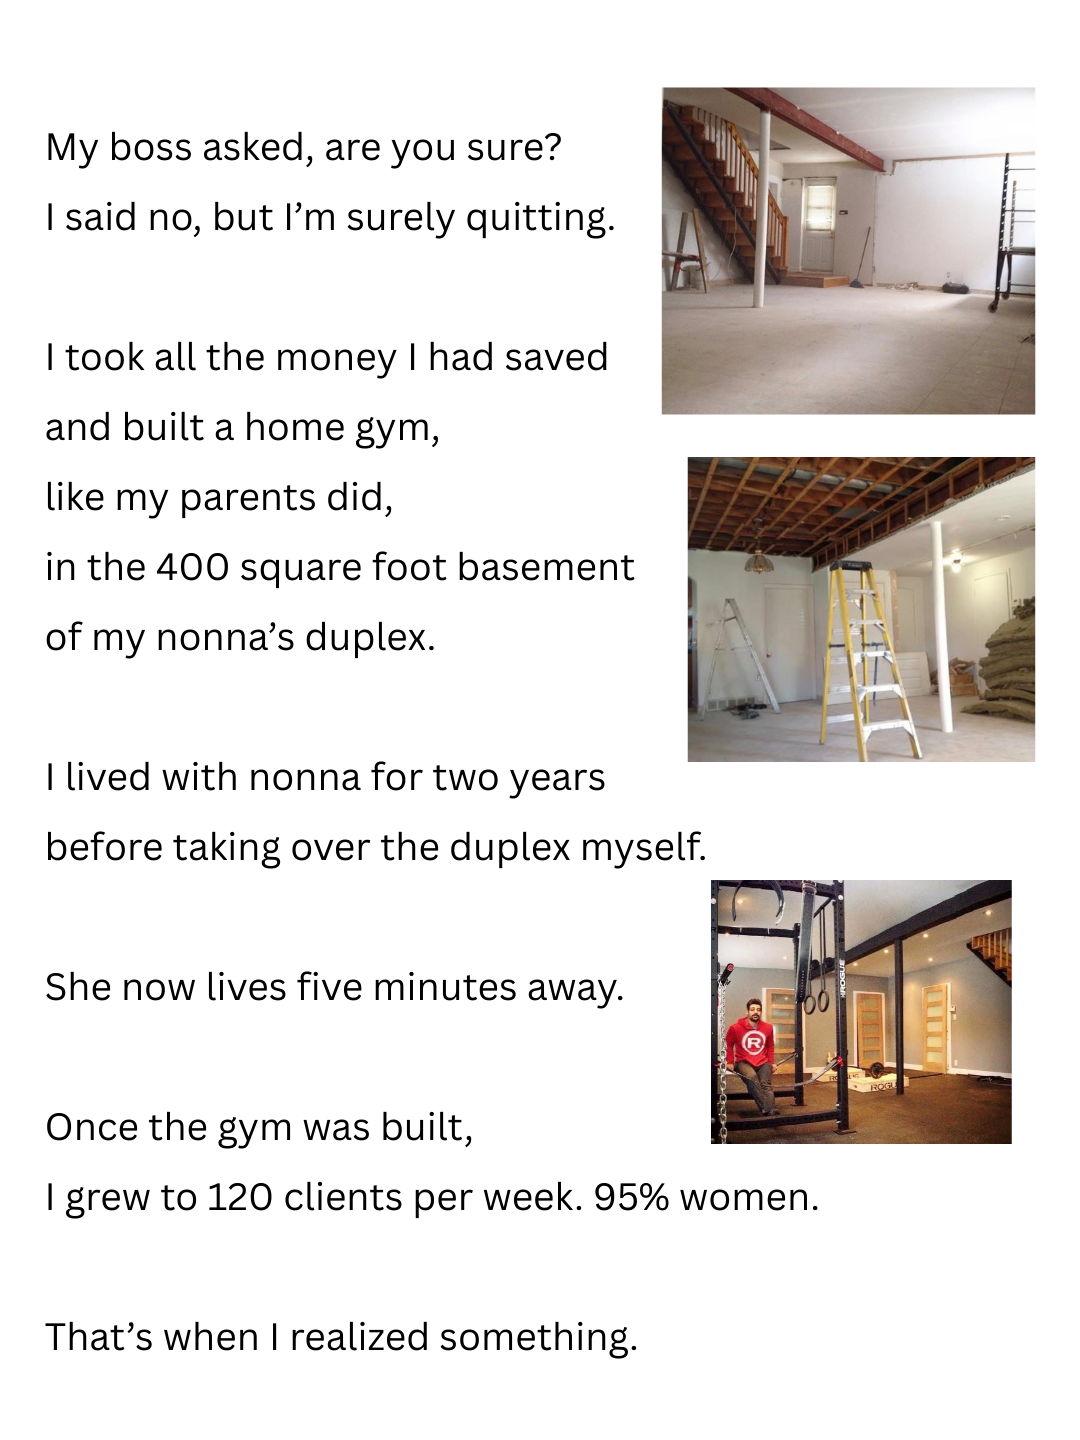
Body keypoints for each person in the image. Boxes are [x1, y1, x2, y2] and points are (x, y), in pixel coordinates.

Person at [725, 998, 778, 1116]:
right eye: (752, 1009)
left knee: (766, 1084)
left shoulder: (768, 1028)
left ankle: (769, 1111)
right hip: (743, 1062)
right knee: (752, 1078)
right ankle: (768, 1108)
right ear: (747, 1012)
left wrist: (771, 1062)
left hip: (762, 1061)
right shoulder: (735, 1028)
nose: (756, 1012)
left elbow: (770, 1046)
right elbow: (728, 1044)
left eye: (758, 1010)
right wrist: (729, 1061)